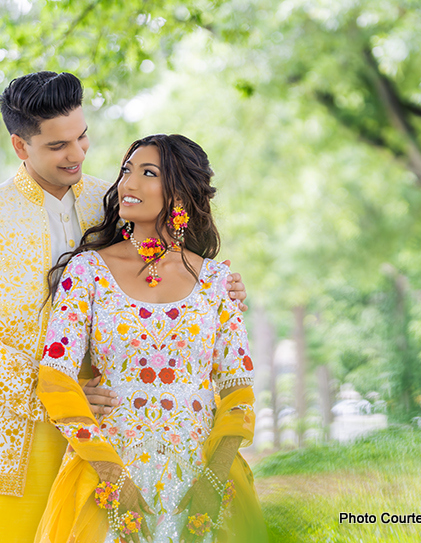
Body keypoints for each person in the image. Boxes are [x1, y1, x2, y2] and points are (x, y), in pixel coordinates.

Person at [0, 73, 247, 543]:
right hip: (2, 440)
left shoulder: (114, 199)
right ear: (20, 146)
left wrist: (224, 289)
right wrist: (57, 390)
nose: (76, 154)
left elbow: (169, 265)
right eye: (58, 146)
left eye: (81, 137)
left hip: (107, 439)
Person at [34, 134, 267, 543]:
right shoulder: (87, 272)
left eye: (148, 173)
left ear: (180, 192)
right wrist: (112, 480)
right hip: (107, 469)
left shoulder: (216, 281)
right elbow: (55, 380)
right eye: (126, 170)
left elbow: (238, 390)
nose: (128, 183)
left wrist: (213, 481)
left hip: (200, 475)